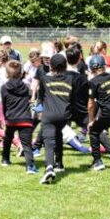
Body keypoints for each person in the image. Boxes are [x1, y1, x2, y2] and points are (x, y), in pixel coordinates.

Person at [35, 53, 76, 184]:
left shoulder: (44, 79)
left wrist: (39, 111)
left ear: (51, 66)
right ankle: (59, 163)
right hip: (64, 116)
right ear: (65, 66)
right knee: (58, 134)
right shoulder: (71, 79)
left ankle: (49, 168)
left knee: (48, 141)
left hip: (49, 115)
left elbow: (40, 97)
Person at [0, 60, 37, 173]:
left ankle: (5, 159)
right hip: (25, 119)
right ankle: (30, 166)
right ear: (21, 74)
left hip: (11, 119)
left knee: (7, 140)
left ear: (6, 74)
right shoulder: (26, 87)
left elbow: (4, 105)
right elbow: (30, 97)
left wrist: (5, 118)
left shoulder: (4, 88)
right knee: (26, 144)